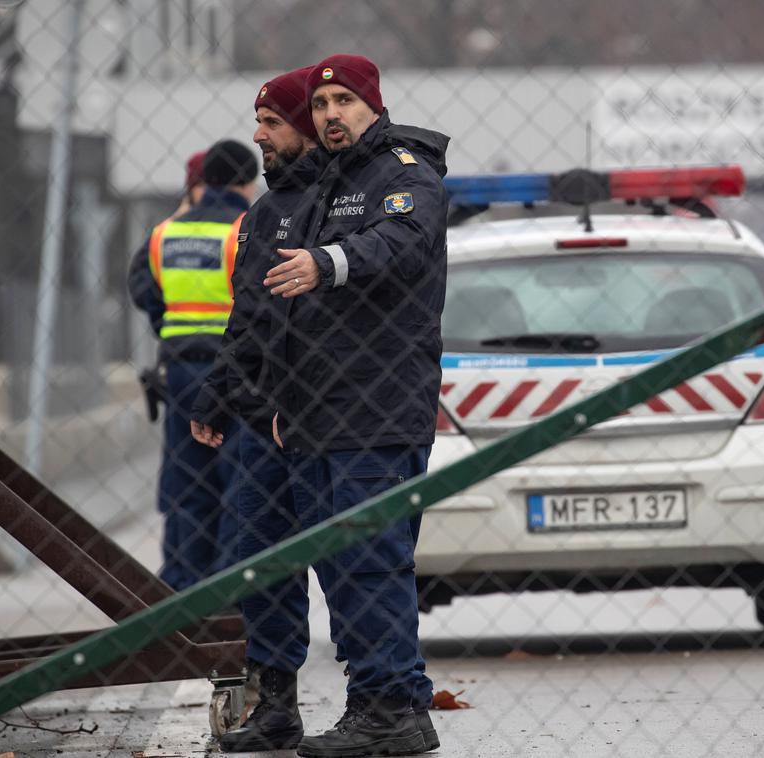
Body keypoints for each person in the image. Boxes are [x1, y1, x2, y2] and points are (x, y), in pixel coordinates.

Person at [247, 53, 450, 758]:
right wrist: (283, 395)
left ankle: (396, 706)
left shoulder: (404, 172)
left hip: (378, 407)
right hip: (314, 412)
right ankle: (373, 704)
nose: (332, 114)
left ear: (373, 104)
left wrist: (327, 262)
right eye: (323, 103)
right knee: (340, 567)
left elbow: (400, 242)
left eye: (345, 101)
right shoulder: (325, 181)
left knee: (372, 560)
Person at [188, 65, 321, 754]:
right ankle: (276, 705)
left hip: (323, 417)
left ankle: (382, 703)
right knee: (260, 559)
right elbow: (249, 318)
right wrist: (218, 391)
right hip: (258, 420)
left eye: (271, 122)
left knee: (352, 563)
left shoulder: (330, 203)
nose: (258, 134)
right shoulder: (264, 214)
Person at [127, 139, 258, 591]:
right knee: (240, 484)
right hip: (236, 373)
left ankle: (183, 588)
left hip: (180, 374)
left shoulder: (165, 233)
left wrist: (173, 325)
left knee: (187, 485)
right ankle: (227, 593)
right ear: (248, 179)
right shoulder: (245, 229)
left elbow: (143, 289)